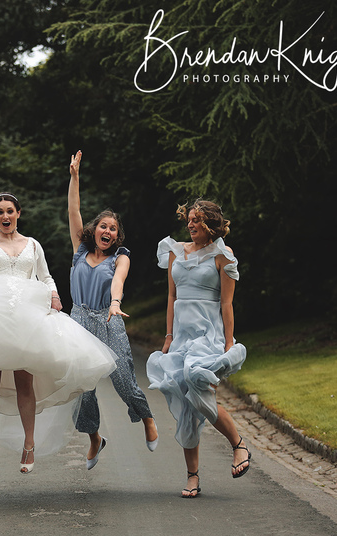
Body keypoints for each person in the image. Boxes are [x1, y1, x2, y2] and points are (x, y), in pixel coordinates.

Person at [0, 192, 117, 474]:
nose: (5, 216)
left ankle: (29, 444)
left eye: (10, 211)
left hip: (27, 320)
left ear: (18, 214)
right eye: (0, 212)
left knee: (25, 382)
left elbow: (46, 276)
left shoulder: (33, 245)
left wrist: (54, 295)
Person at [146, 200, 249, 498]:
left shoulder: (223, 255)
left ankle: (238, 444)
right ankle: (192, 476)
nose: (190, 225)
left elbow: (227, 303)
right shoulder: (174, 251)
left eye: (197, 220)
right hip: (181, 337)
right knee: (186, 400)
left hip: (208, 335)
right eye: (189, 219)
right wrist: (168, 336)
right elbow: (171, 296)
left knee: (195, 378)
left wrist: (228, 343)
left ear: (210, 224)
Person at [67, 151, 158, 470]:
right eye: (103, 226)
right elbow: (74, 210)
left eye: (113, 229)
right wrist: (75, 177)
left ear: (117, 236)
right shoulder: (80, 251)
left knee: (123, 380)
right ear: (95, 230)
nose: (108, 231)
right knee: (82, 388)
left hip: (108, 318)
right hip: (78, 321)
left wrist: (116, 303)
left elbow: (118, 281)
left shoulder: (121, 257)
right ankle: (94, 438)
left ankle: (146, 417)